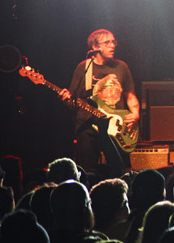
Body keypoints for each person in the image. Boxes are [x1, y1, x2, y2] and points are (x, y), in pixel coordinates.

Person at [59, 29, 139, 176]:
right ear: (94, 47)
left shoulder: (121, 67)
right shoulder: (83, 68)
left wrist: (135, 113)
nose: (112, 46)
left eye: (114, 42)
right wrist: (65, 100)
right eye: (107, 42)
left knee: (121, 171)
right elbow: (73, 101)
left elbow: (130, 94)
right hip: (88, 126)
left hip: (116, 128)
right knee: (88, 172)